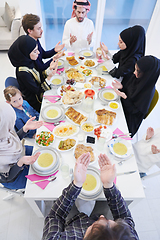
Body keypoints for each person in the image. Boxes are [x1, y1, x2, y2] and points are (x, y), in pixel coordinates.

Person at [42, 153, 139, 239]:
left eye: (95, 226)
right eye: (109, 221)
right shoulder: (128, 237)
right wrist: (109, 185)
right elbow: (125, 218)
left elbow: (55, 216)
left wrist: (76, 185)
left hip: (73, 222)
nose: (101, 216)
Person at [112, 55, 160, 137]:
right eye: (135, 69)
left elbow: (134, 111)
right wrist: (122, 87)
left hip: (129, 121)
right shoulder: (137, 78)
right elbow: (128, 91)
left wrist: (125, 98)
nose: (134, 72)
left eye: (138, 71)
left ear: (147, 74)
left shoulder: (147, 92)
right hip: (123, 106)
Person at [8, 35, 58, 112]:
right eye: (35, 51)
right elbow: (38, 91)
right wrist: (48, 78)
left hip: (40, 91)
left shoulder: (29, 60)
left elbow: (39, 74)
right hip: (35, 102)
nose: (38, 52)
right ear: (26, 53)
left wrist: (49, 70)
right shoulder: (23, 73)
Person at [0, 102, 43, 190]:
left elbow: (12, 140)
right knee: (46, 178)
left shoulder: (3, 130)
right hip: (15, 176)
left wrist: (24, 129)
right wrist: (20, 163)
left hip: (21, 154)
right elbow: (7, 178)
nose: (11, 128)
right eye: (9, 125)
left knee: (45, 152)